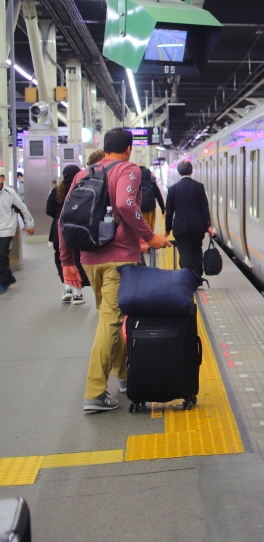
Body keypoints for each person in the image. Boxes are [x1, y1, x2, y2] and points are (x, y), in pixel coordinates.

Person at [60, 128, 172, 413]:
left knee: (109, 318)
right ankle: (95, 392)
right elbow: (125, 203)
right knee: (110, 323)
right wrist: (149, 237)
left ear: (104, 147)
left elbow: (65, 217)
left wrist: (67, 261)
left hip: (89, 258)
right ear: (128, 149)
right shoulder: (127, 169)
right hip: (119, 258)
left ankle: (123, 376)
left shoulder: (82, 174)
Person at [164, 160, 214, 277]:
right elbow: (204, 208)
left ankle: (187, 278)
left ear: (179, 172)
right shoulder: (199, 187)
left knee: (185, 252)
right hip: (197, 226)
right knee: (197, 250)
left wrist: (167, 229)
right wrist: (208, 226)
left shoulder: (173, 189)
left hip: (180, 226)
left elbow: (169, 211)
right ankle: (197, 277)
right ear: (192, 171)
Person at [46, 164, 88, 304]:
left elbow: (49, 210)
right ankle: (78, 294)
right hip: (75, 228)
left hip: (57, 231)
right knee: (76, 259)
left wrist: (59, 216)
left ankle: (67, 288)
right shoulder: (80, 189)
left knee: (61, 259)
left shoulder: (56, 191)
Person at [0, 167, 35, 293]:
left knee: (2, 256)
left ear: (2, 179)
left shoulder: (10, 193)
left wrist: (29, 225)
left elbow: (23, 209)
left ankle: (3, 281)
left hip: (6, 230)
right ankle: (8, 276)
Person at [139, 166, 165, 232]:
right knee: (150, 226)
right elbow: (159, 197)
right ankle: (149, 239)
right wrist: (163, 210)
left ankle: (141, 240)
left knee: (140, 226)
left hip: (139, 209)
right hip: (150, 209)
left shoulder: (137, 185)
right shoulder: (153, 184)